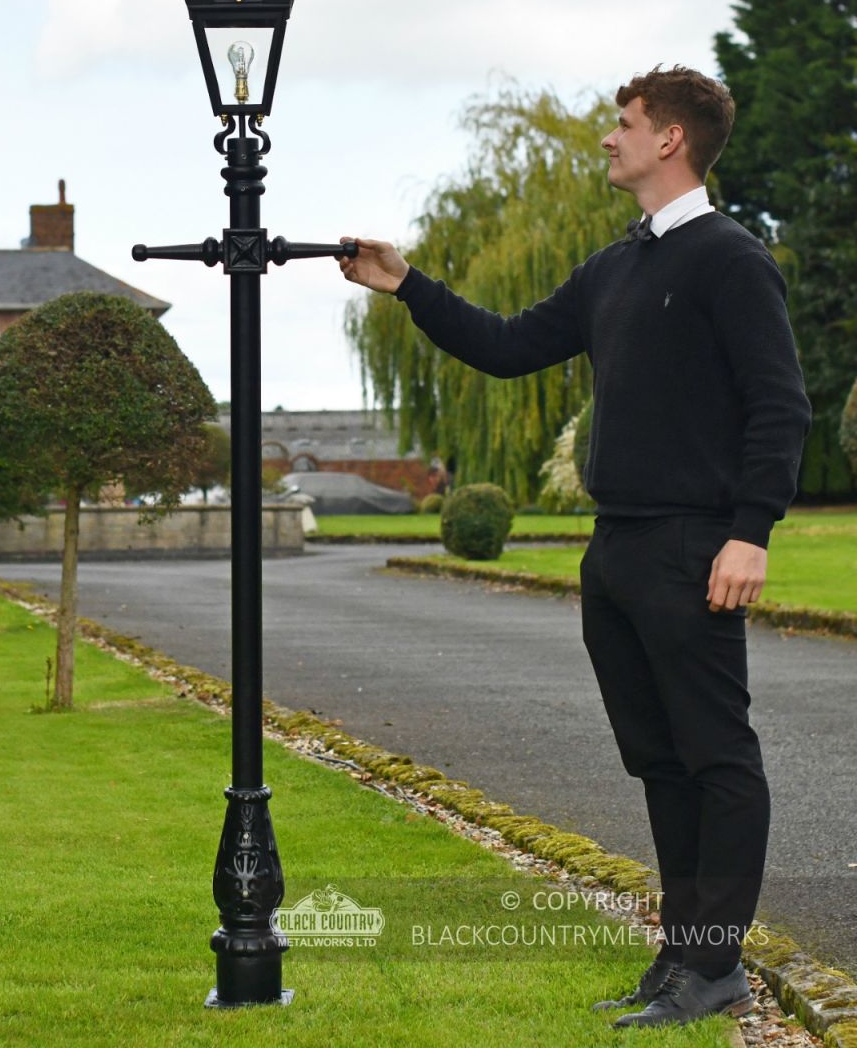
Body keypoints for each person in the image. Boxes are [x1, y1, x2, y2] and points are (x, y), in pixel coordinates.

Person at [338, 65, 811, 1030]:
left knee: (717, 757)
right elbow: (510, 346)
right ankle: (685, 956)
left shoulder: (730, 259)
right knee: (658, 761)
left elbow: (778, 405)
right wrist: (407, 287)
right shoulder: (614, 267)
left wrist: (749, 533)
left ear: (670, 139)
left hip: (694, 548)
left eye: (624, 124)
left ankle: (717, 966)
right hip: (619, 551)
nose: (609, 138)